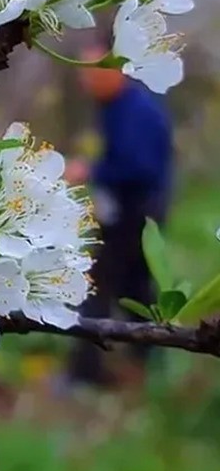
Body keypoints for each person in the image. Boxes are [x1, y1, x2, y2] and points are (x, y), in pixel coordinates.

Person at [66, 45, 174, 387]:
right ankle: (148, 360)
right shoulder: (114, 108)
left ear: (115, 71)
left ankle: (86, 373)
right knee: (134, 288)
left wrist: (91, 170)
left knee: (98, 286)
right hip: (129, 214)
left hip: (136, 216)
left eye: (93, 72)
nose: (86, 81)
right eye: (83, 73)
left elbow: (140, 168)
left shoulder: (135, 111)